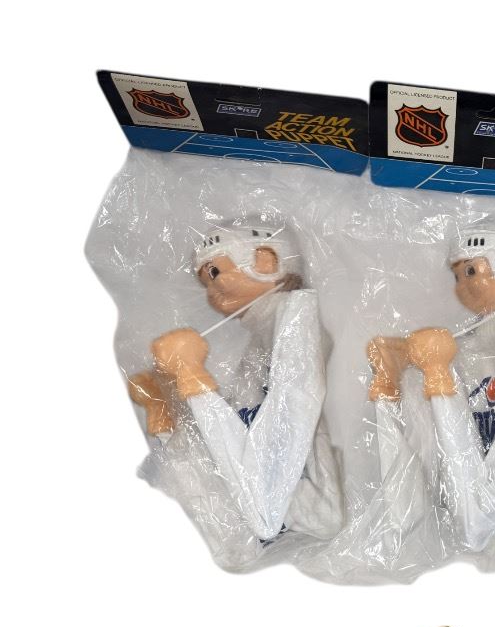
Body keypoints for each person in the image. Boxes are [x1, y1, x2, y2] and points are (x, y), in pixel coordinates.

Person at [129, 221, 342, 564]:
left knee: (269, 517)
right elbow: (252, 417)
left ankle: (165, 421)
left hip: (286, 498)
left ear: (265, 261)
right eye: (206, 282)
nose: (211, 292)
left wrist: (193, 378)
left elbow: (290, 411)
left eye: (214, 273)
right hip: (274, 495)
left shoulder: (295, 323)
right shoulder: (267, 334)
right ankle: (163, 419)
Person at [366, 226, 495, 555]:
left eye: (471, 272)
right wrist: (393, 381)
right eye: (457, 275)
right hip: (466, 537)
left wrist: (438, 375)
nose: (462, 286)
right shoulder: (471, 345)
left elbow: (479, 523)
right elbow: (421, 488)